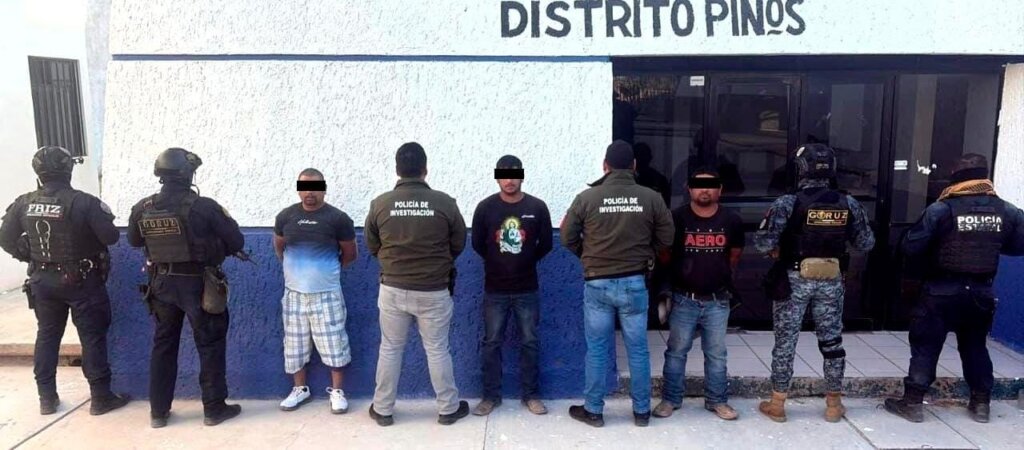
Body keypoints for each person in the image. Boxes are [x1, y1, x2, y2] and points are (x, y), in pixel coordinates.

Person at [884, 154, 1024, 424]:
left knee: (926, 345)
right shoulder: (1007, 210)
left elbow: (911, 246)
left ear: (956, 177)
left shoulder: (941, 209)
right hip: (981, 292)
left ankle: (913, 403)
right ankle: (981, 404)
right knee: (975, 347)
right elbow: (1018, 245)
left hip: (941, 290)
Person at [0, 146, 129, 416]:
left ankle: (46, 398)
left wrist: (29, 254)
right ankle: (100, 398)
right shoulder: (84, 202)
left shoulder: (24, 203)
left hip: (42, 280)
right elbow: (110, 237)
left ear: (38, 172)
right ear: (68, 170)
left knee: (47, 336)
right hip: (82, 281)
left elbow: (5, 238)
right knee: (91, 338)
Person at [754, 143, 875, 423]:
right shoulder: (849, 203)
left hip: (794, 280)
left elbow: (763, 243)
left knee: (785, 342)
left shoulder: (787, 203)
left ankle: (777, 404)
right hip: (831, 279)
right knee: (832, 342)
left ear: (801, 169)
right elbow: (866, 243)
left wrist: (778, 249)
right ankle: (833, 405)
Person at [127, 147, 245, 428]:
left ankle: (158, 412)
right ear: (188, 174)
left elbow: (133, 240)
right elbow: (236, 241)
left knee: (163, 345)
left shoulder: (143, 207)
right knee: (210, 345)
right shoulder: (204, 207)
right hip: (198, 285)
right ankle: (214, 409)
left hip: (161, 284)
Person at [561, 140, 675, 428]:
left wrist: (586, 255)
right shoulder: (651, 197)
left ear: (605, 166)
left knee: (598, 349)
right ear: (634, 166)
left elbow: (566, 236)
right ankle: (641, 412)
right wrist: (647, 254)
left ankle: (594, 411)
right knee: (638, 349)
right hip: (635, 283)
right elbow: (667, 238)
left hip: (597, 282)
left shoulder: (587, 198)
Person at [365, 142, 470, 426]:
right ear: (425, 169)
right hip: (434, 289)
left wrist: (393, 263)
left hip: (393, 287)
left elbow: (372, 245)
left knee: (390, 348)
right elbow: (458, 243)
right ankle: (448, 409)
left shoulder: (380, 203)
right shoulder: (445, 203)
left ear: (397, 169)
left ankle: (382, 409)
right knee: (437, 349)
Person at [653, 168, 743, 421]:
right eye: (699, 185)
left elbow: (735, 255)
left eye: (711, 185)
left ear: (720, 190)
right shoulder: (676, 218)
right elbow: (665, 254)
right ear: (689, 189)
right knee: (676, 351)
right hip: (684, 299)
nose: (705, 190)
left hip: (718, 300)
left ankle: (717, 401)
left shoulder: (732, 220)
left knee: (716, 354)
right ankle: (670, 399)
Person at [470, 155, 553, 416]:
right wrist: (498, 261)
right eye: (504, 175)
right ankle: (490, 397)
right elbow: (477, 244)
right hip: (495, 289)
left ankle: (531, 395)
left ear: (522, 176)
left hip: (527, 288)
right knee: (491, 343)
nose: (509, 180)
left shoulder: (537, 207)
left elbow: (547, 244)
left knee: (530, 342)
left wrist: (526, 260)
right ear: (497, 178)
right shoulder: (485, 208)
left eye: (514, 174)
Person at [273, 168, 357, 414]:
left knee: (335, 343)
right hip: (294, 295)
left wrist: (326, 271)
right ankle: (300, 389)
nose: (310, 192)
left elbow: (350, 254)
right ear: (298, 189)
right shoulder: (285, 217)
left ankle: (337, 392)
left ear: (324, 189)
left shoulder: (338, 219)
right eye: (305, 187)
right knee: (294, 345)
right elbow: (279, 248)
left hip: (327, 294)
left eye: (315, 187)